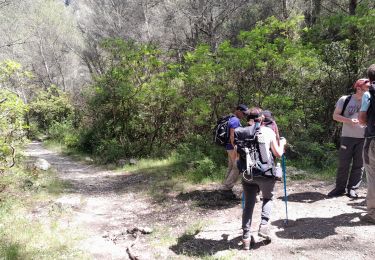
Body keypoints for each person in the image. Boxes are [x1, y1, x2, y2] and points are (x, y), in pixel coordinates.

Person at [234, 107, 287, 250]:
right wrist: (282, 143)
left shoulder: (240, 132)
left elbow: (237, 157)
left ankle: (245, 236)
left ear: (247, 118)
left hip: (248, 174)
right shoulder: (268, 131)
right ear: (262, 118)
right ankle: (263, 225)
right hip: (265, 173)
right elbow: (278, 154)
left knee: (249, 204)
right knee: (267, 198)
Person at [328, 78, 370, 198]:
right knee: (343, 163)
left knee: (359, 164)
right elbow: (335, 116)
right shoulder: (345, 99)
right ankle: (340, 188)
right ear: (358, 88)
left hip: (364, 137)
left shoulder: (369, 100)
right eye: (366, 88)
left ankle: (352, 188)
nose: (368, 90)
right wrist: (349, 120)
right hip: (347, 137)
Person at [359, 64, 375, 224]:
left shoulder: (369, 93)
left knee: (372, 176)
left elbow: (362, 117)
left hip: (373, 139)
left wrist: (364, 123)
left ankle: (373, 214)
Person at [222, 104, 248, 198]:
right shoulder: (235, 120)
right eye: (243, 113)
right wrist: (236, 147)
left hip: (229, 147)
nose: (244, 115)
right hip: (233, 147)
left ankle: (225, 186)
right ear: (238, 110)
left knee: (231, 166)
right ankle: (227, 187)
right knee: (237, 167)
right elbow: (232, 136)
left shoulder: (231, 118)